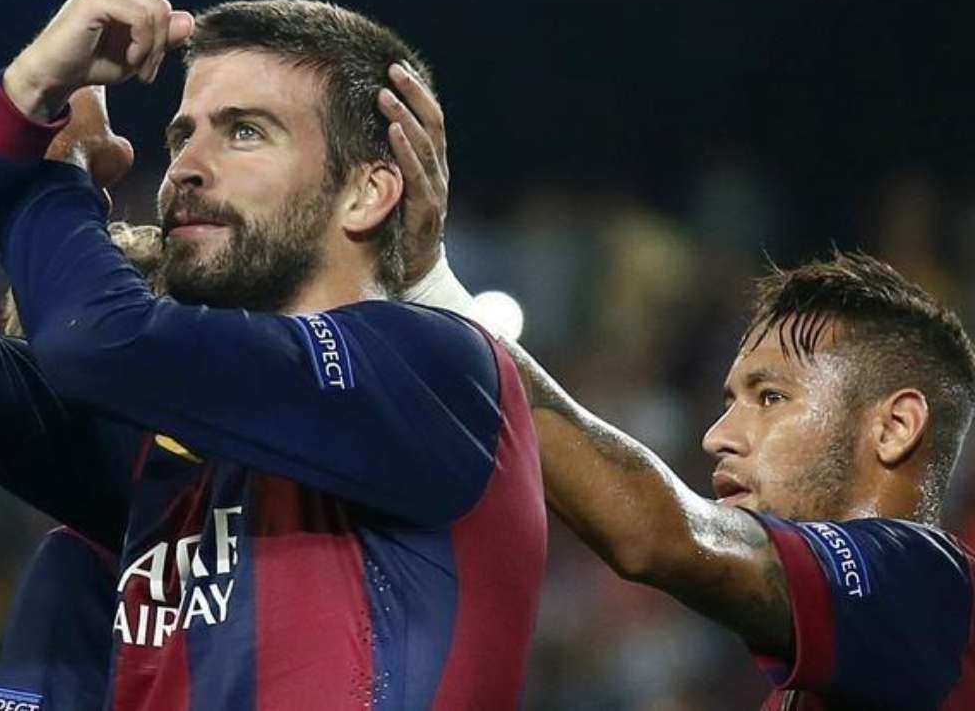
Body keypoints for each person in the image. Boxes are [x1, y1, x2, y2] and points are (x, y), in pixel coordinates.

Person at [0, 0, 546, 710]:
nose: (186, 169)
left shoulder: (436, 371)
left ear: (367, 191)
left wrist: (60, 165)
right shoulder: (163, 453)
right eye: (182, 135)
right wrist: (26, 95)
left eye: (244, 132)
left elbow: (95, 337)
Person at [389, 99, 975, 706]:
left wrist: (433, 290)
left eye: (771, 397)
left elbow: (657, 536)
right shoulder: (831, 666)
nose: (717, 436)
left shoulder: (923, 583)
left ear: (896, 426)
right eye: (731, 400)